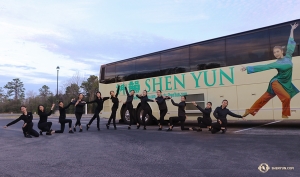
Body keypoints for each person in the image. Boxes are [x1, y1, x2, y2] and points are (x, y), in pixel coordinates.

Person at [241, 23, 298, 118]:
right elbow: (263, 67)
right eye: (274, 52)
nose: (275, 54)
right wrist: (247, 68)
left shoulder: (288, 57)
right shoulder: (276, 63)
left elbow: (290, 43)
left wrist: (292, 30)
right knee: (287, 97)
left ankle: (249, 110)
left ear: (282, 51)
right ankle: (285, 115)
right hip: (276, 83)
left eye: (277, 51)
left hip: (285, 84)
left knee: (264, 98)